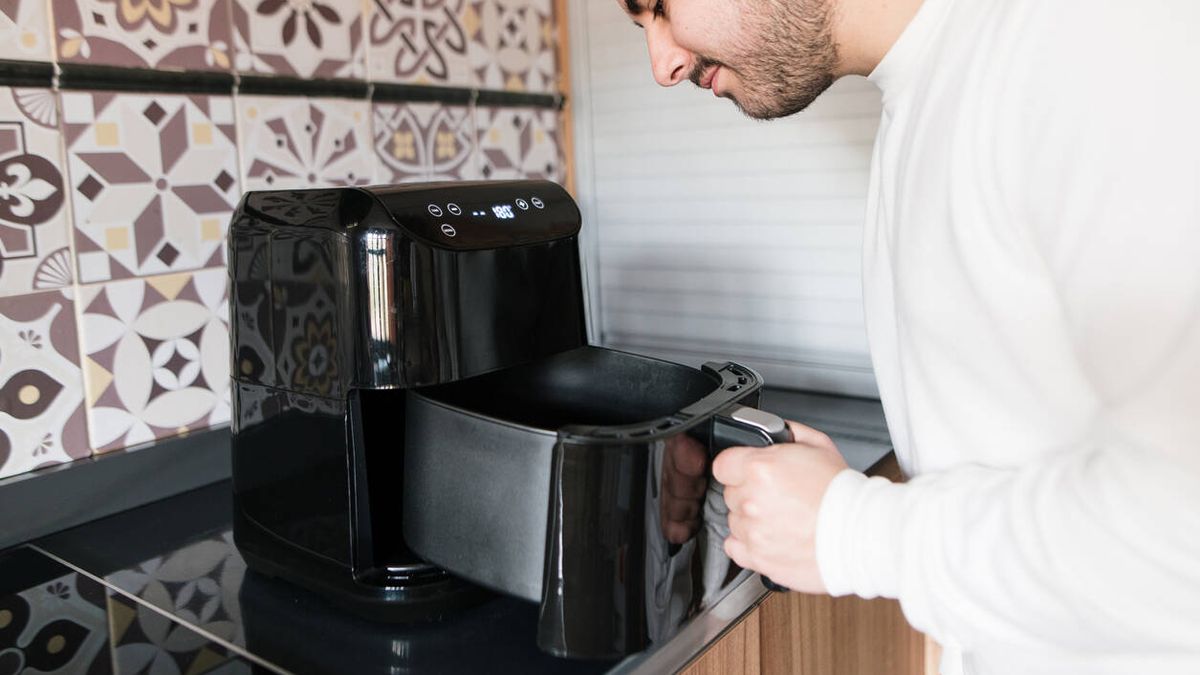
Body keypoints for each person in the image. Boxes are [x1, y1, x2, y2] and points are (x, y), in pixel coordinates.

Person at [617, 0, 1200, 673]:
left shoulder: (1088, 36)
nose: (663, 65)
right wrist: (777, 503)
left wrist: (854, 532)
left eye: (658, 7)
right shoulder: (927, 90)